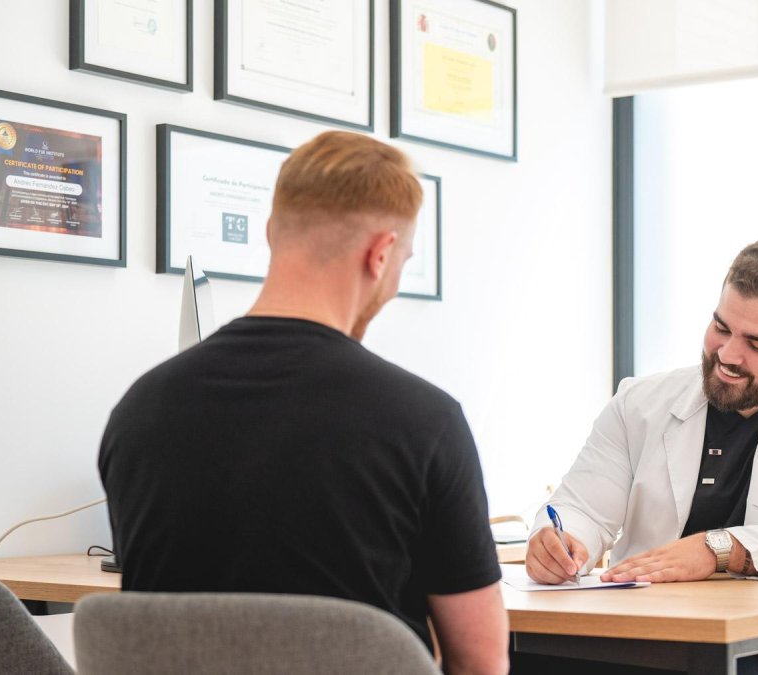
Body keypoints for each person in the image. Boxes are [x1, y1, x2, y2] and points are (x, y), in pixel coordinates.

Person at [99, 131, 508, 675]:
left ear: (271, 233)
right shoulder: (424, 421)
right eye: (403, 260)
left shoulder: (138, 411)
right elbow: (480, 662)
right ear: (381, 254)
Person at [524, 240, 758, 675]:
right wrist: (563, 541)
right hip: (638, 633)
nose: (727, 356)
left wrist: (719, 548)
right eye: (721, 328)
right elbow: (581, 506)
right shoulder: (640, 402)